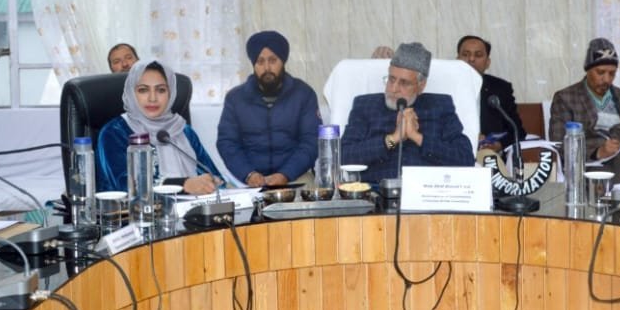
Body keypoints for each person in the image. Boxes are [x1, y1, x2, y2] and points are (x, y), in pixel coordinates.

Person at [341, 43, 475, 188]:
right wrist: (392, 139)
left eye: (404, 83)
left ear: (421, 86)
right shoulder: (366, 105)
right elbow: (344, 156)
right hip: (376, 192)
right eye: (391, 79)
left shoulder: (439, 106)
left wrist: (417, 138)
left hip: (427, 192)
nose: (393, 89)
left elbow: (465, 159)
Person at [97, 57, 222, 193]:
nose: (153, 98)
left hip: (192, 205)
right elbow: (125, 185)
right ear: (131, 92)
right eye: (143, 90)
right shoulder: (114, 132)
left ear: (171, 93)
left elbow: (213, 176)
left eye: (161, 90)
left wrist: (213, 183)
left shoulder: (183, 131)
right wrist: (183, 185)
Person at [216, 29, 320, 187]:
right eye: (260, 61)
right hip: (247, 181)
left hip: (295, 177)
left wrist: (285, 174)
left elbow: (311, 141)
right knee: (230, 202)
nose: (267, 68)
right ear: (253, 64)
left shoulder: (304, 94)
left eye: (272, 60)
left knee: (310, 200)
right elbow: (227, 143)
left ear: (282, 61)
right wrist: (248, 174)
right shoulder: (235, 98)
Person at [547, 37, 620, 170]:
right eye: (600, 72)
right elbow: (559, 145)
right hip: (585, 166)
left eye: (612, 73)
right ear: (588, 70)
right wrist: (597, 152)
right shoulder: (565, 98)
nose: (607, 79)